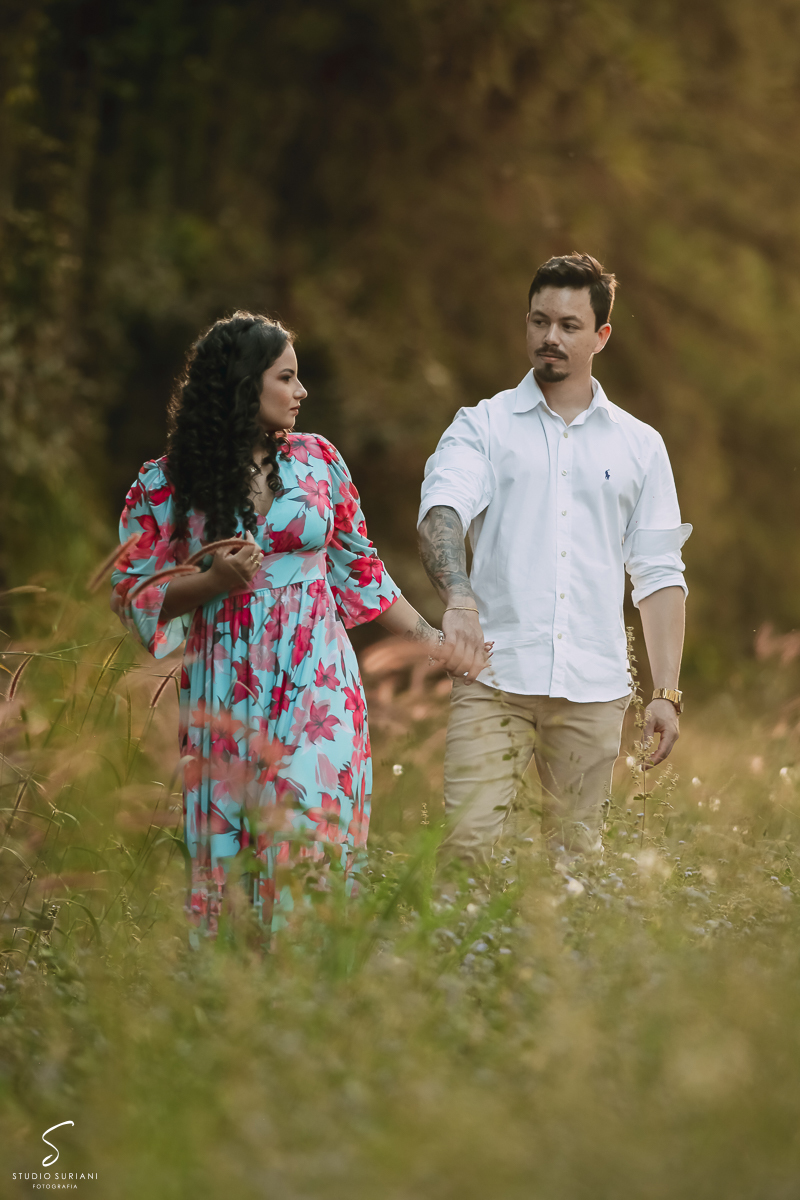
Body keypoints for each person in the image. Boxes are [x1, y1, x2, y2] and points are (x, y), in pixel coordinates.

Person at [111, 311, 467, 933]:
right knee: (237, 865)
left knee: (309, 839)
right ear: (248, 385)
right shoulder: (166, 483)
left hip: (317, 681)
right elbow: (132, 592)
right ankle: (247, 1004)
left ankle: (315, 983)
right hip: (226, 688)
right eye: (287, 378)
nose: (301, 393)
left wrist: (434, 643)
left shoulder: (317, 461)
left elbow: (362, 572)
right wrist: (211, 584)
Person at [418, 254, 691, 868]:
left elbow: (658, 573)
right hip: (493, 677)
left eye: (569, 325)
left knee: (574, 864)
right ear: (526, 324)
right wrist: (458, 597)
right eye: (540, 321)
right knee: (466, 850)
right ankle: (460, 963)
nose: (550, 337)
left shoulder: (641, 446)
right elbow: (442, 510)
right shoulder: (482, 426)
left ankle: (557, 965)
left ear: (601, 336)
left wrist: (666, 691)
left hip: (593, 687)